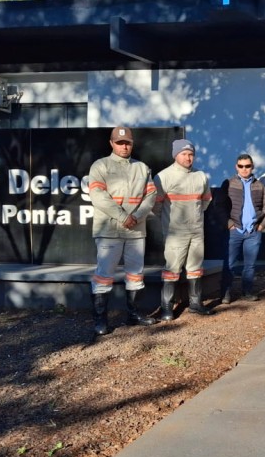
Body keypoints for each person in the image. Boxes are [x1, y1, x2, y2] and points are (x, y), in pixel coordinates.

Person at [87, 126, 157, 336]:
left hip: (136, 230)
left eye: (127, 143)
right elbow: (98, 196)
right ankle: (100, 320)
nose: (124, 146)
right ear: (111, 143)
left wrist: (136, 216)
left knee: (135, 274)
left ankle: (133, 315)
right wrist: (123, 216)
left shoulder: (142, 168)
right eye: (119, 143)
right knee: (104, 276)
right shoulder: (100, 165)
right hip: (109, 230)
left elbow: (151, 196)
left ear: (132, 144)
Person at [153, 138, 214, 321]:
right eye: (184, 154)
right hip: (175, 232)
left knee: (195, 268)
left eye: (191, 154)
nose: (188, 158)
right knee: (172, 269)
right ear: (175, 155)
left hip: (196, 230)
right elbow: (156, 206)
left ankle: (195, 303)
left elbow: (206, 201)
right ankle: (167, 308)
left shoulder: (200, 176)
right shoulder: (163, 177)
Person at [218, 153, 265, 304]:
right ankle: (226, 293)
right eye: (241, 166)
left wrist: (262, 224)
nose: (244, 169)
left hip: (253, 231)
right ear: (236, 167)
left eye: (247, 166)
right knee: (229, 264)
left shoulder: (259, 185)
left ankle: (247, 292)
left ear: (252, 167)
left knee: (250, 266)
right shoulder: (228, 183)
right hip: (234, 230)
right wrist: (228, 224)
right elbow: (219, 205)